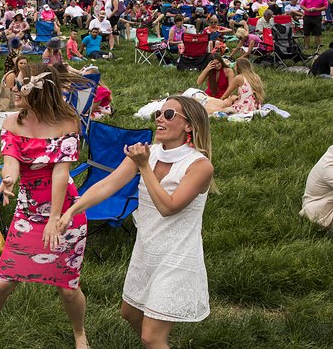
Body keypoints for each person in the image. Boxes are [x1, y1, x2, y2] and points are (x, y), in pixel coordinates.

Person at [56, 96, 215, 349]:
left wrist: (144, 166)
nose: (160, 119)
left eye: (169, 115)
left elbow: (169, 206)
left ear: (189, 125)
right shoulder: (148, 153)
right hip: (147, 249)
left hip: (178, 255)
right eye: (159, 114)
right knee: (129, 314)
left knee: (151, 337)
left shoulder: (198, 165)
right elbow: (107, 185)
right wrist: (72, 210)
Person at [0, 64, 90, 349]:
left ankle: (79, 333)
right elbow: (12, 161)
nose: (12, 88)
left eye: (19, 84)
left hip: (65, 212)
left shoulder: (68, 122)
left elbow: (61, 173)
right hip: (28, 214)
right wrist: (8, 180)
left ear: (38, 90)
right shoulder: (11, 121)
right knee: (4, 282)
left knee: (68, 289)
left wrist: (55, 217)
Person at [0, 55, 27, 129]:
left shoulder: (25, 75)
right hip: (7, 100)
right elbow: (9, 93)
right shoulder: (12, 75)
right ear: (17, 64)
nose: (23, 65)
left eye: (25, 63)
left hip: (18, 98)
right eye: (21, 63)